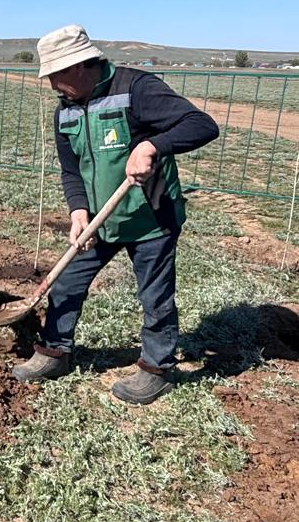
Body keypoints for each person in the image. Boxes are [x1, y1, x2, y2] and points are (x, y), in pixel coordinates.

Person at [12, 25, 219, 403]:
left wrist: (153, 145)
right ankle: (54, 352)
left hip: (150, 218)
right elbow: (71, 171)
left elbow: (202, 125)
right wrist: (78, 211)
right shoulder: (65, 110)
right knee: (67, 282)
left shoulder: (136, 89)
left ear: (79, 66)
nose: (52, 84)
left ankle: (156, 369)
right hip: (98, 220)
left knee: (155, 296)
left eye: (55, 74)